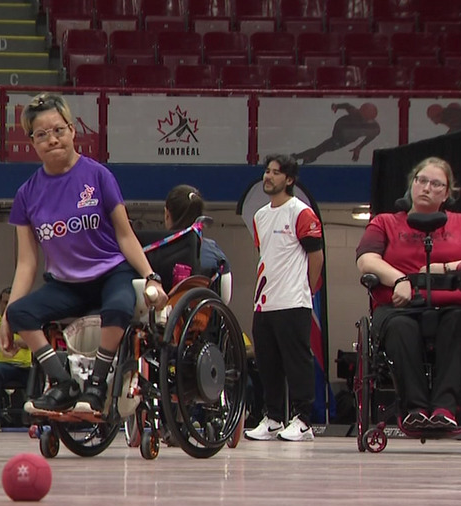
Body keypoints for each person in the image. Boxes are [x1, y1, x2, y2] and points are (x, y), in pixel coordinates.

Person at [0, 92, 166, 418]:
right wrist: (7, 316)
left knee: (118, 307)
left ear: (73, 130)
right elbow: (27, 262)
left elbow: (124, 234)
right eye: (42, 134)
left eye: (58, 130)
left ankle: (98, 384)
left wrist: (150, 276)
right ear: (32, 142)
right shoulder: (26, 194)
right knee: (20, 313)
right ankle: (63, 384)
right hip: (65, 284)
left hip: (110, 273)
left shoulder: (98, 176)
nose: (52, 139)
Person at [356, 156, 461, 430]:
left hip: (455, 307)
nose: (427, 187)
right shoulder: (384, 222)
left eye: (436, 184)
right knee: (400, 328)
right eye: (421, 180)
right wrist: (403, 280)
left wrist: (444, 268)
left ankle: (445, 408)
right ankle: (415, 409)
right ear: (412, 184)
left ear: (446, 194)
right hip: (400, 308)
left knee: (458, 323)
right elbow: (366, 261)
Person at [245, 155, 324, 442]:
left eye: (275, 173)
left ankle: (303, 420)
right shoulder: (260, 216)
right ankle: (274, 417)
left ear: (289, 180)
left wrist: (305, 289)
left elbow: (316, 257)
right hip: (264, 302)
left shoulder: (300, 213)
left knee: (297, 363)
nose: (268, 177)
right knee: (267, 363)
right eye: (266, 171)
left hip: (294, 302)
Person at [163, 184, 232, 302]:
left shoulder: (152, 253)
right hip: (203, 317)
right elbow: (224, 299)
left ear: (167, 214)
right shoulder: (214, 253)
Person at [0, 287, 32, 432]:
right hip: (1, 367)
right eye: (5, 302)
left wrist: (8, 342)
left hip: (25, 367)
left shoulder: (27, 323)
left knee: (39, 373)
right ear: (0, 303)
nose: (8, 306)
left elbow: (32, 342)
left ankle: (35, 419)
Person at [293, 102, 381, 164]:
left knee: (322, 148)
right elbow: (347, 105)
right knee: (322, 148)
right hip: (339, 131)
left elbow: (371, 136)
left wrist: (359, 147)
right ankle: (301, 157)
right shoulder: (355, 113)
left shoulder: (374, 128)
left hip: (344, 139)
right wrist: (337, 106)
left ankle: (306, 157)